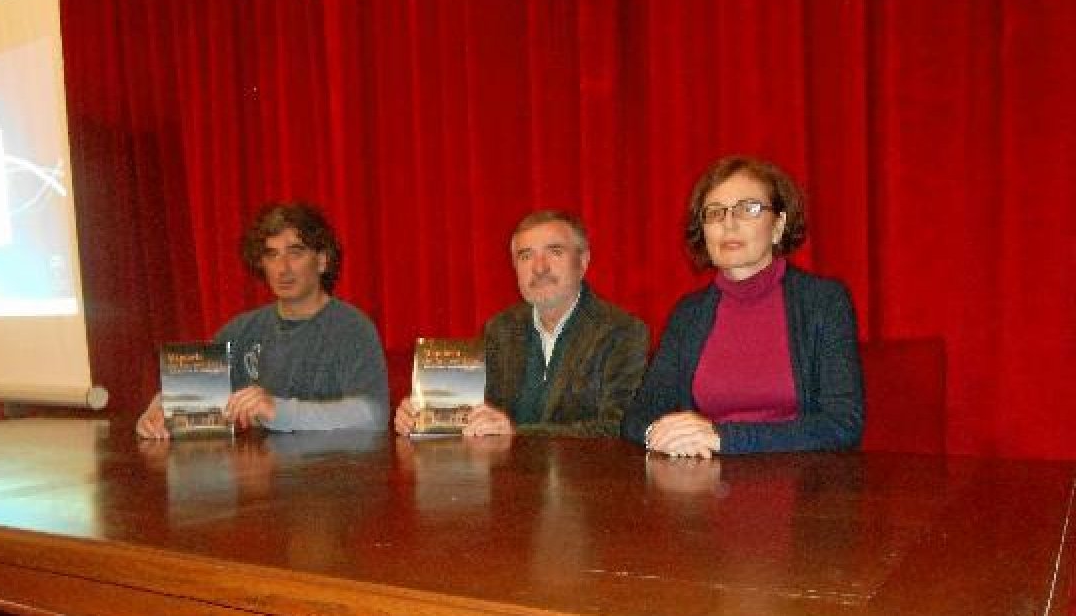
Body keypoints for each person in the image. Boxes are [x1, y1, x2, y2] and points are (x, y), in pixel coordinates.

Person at [622, 156, 863, 456]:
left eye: (748, 209)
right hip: (702, 486)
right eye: (715, 213)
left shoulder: (823, 302)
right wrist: (658, 434)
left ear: (778, 225)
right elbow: (638, 416)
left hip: (802, 487)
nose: (729, 224)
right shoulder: (689, 313)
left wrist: (724, 438)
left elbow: (842, 424)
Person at [136, 202, 389, 439]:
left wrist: (277, 411)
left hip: (328, 478)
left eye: (295, 253)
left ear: (322, 260)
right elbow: (193, 392)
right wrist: (158, 411)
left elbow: (373, 415)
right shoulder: (241, 330)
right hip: (254, 479)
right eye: (271, 255)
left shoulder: (353, 328)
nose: (283, 268)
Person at [394, 210, 649, 437]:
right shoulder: (500, 330)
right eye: (526, 256)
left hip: (586, 485)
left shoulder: (622, 332)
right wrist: (424, 414)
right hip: (509, 483)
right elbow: (474, 411)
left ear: (582, 262)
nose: (539, 268)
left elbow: (617, 428)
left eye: (555, 252)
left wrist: (516, 433)